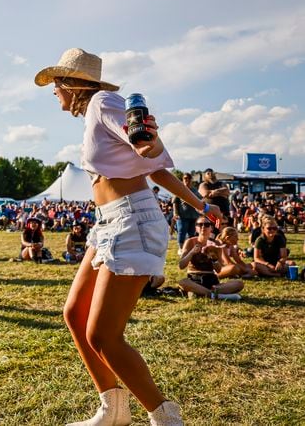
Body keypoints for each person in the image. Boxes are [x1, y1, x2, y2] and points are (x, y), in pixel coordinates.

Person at [35, 48, 222, 425]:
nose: (53, 91)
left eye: (56, 84)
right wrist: (201, 206)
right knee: (74, 314)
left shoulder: (104, 101)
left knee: (103, 335)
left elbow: (147, 146)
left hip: (130, 220)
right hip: (108, 222)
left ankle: (166, 418)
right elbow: (156, 170)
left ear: (70, 84)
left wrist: (148, 141)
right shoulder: (94, 113)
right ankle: (113, 411)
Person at [178, 220, 244, 299]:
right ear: (196, 228)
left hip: (211, 280)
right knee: (182, 282)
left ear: (211, 228)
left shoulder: (216, 244)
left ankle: (203, 293)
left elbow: (219, 270)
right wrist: (191, 253)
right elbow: (181, 265)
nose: (203, 227)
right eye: (200, 224)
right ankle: (215, 295)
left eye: (206, 225)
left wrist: (214, 258)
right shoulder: (190, 242)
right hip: (194, 279)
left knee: (239, 284)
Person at [172, 173, 201, 255]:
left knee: (192, 233)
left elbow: (201, 200)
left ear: (191, 180)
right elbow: (175, 202)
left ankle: (191, 249)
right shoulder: (179, 189)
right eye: (185, 178)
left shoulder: (195, 190)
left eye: (189, 178)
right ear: (183, 180)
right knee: (181, 231)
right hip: (182, 216)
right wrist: (175, 213)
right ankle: (181, 248)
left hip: (194, 216)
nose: (187, 180)